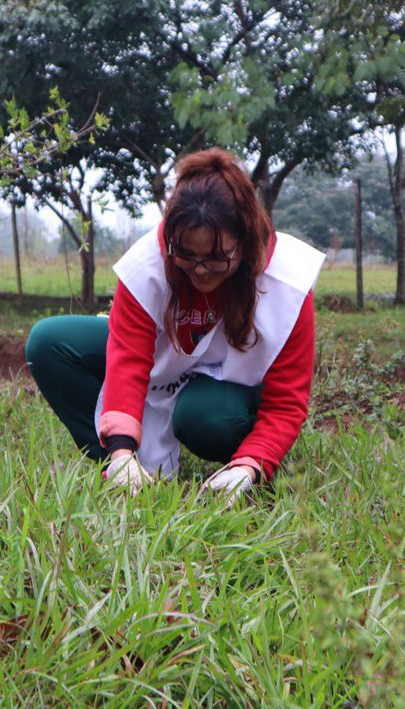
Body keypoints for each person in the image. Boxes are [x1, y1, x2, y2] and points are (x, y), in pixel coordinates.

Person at [25, 148, 324, 499]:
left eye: (216, 259)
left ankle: (239, 466)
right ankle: (118, 467)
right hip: (163, 368)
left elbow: (286, 402)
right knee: (49, 342)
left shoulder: (287, 282)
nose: (199, 270)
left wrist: (253, 464)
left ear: (243, 243)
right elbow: (128, 358)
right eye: (186, 255)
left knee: (201, 416)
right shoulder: (149, 263)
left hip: (222, 388)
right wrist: (121, 450)